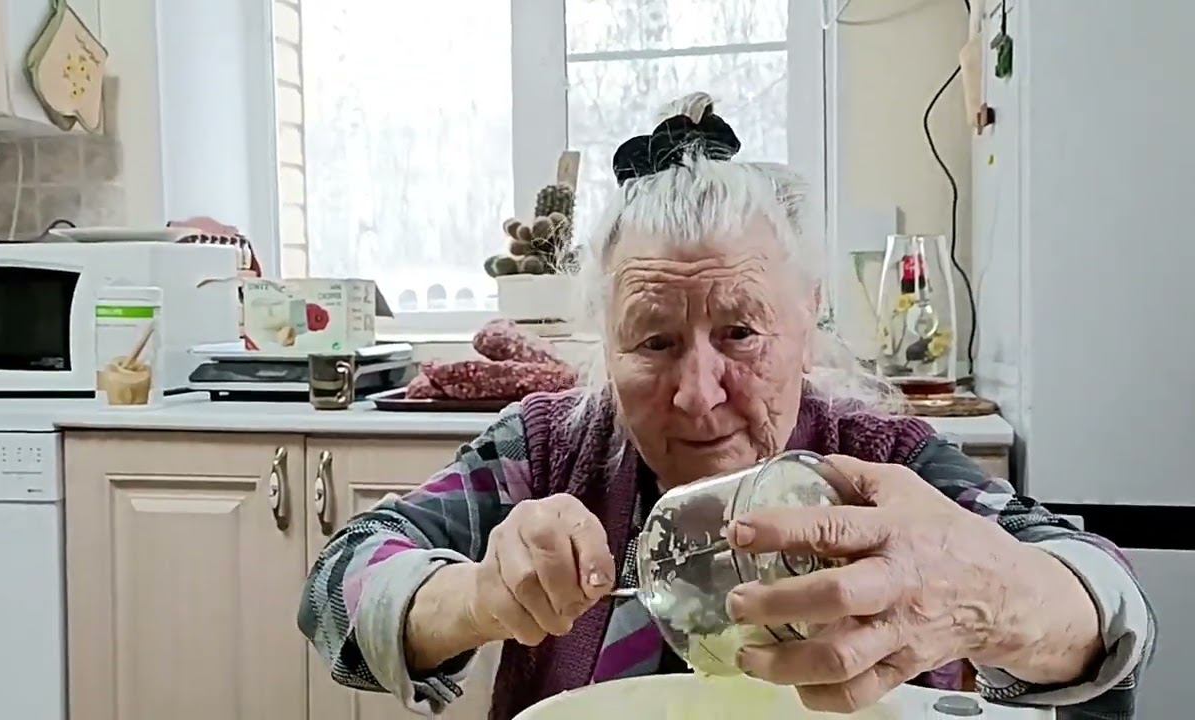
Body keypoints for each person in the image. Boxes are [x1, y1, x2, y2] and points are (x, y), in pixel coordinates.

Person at [298, 93, 1154, 719]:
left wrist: (990, 595)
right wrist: (480, 596)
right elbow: (337, 585)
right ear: (604, 344)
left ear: (809, 323)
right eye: (654, 341)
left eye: (741, 333)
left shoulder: (887, 464)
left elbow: (1108, 604)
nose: (698, 392)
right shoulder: (547, 454)